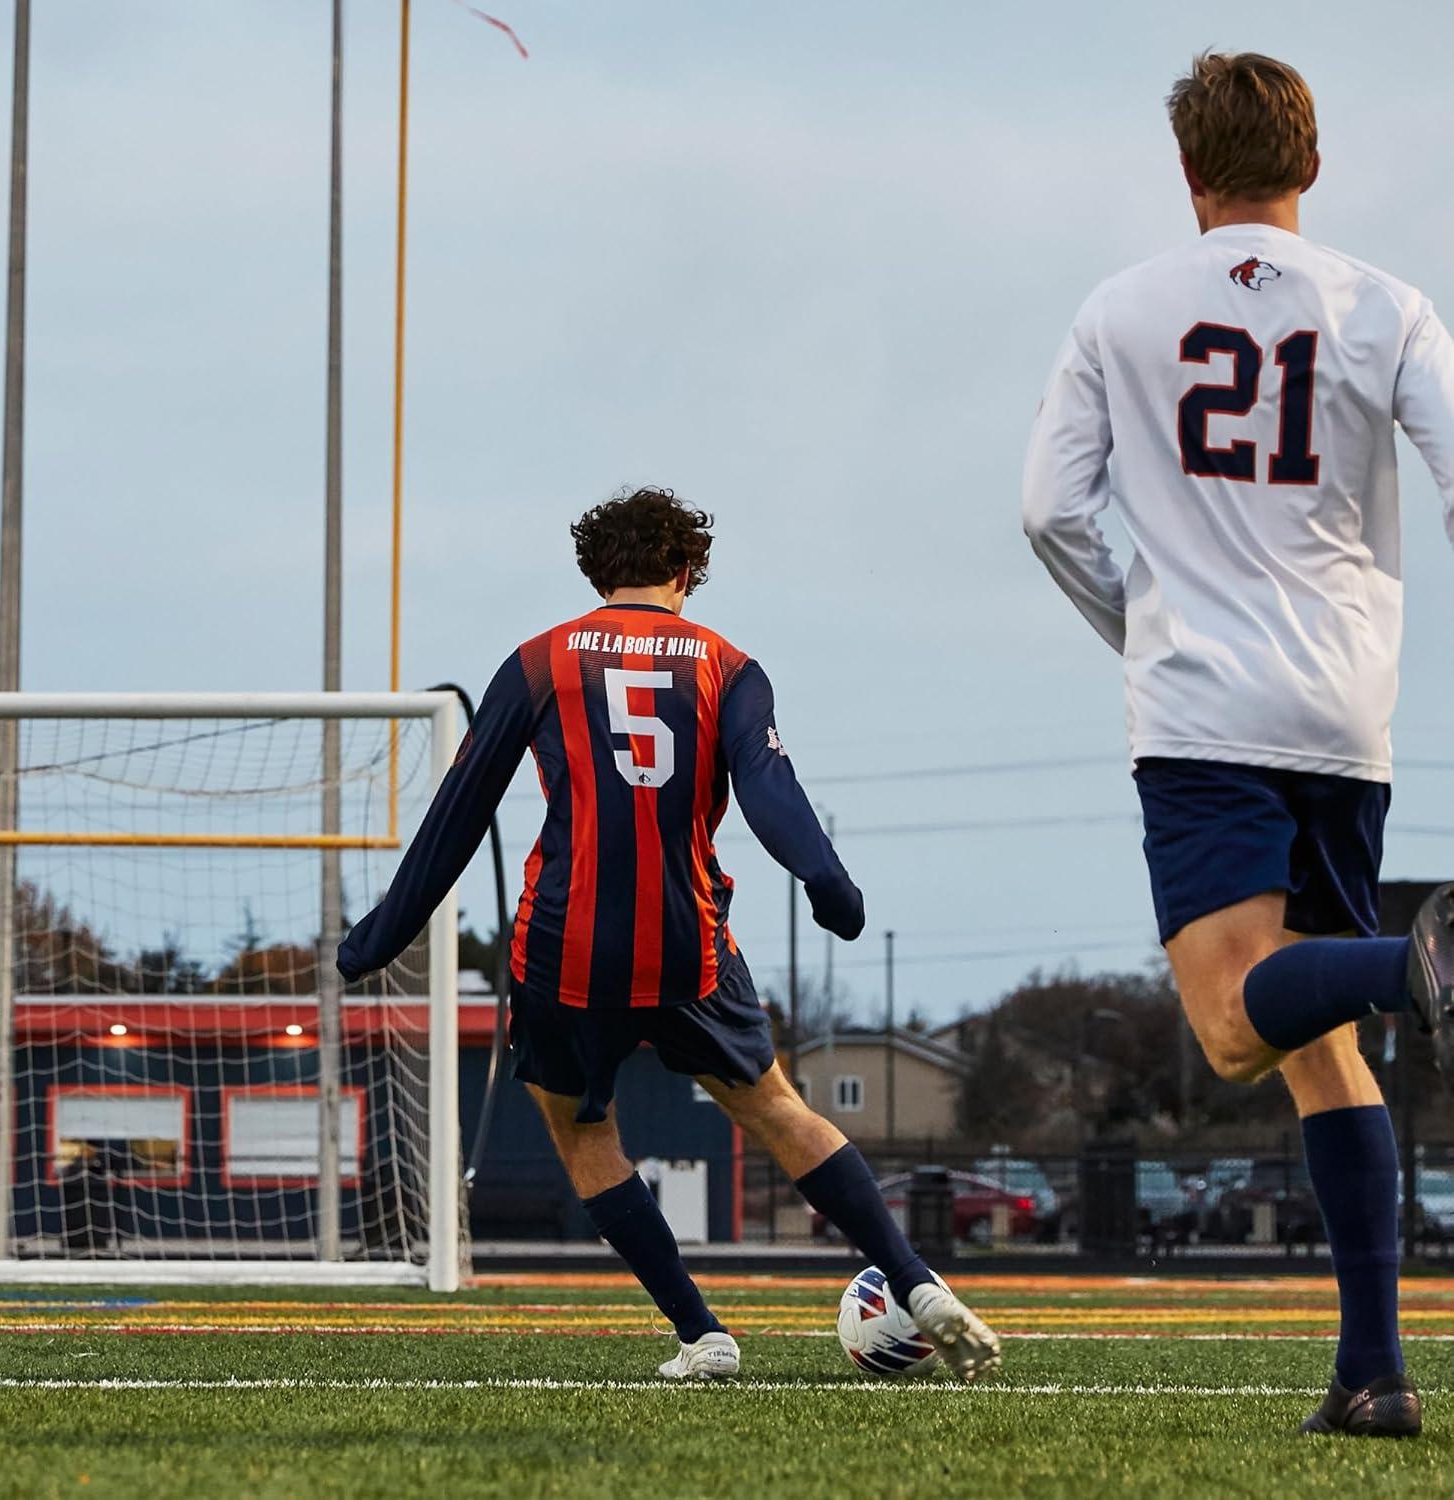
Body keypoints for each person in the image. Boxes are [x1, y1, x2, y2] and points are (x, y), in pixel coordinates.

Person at [1022, 50, 1454, 1439]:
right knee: (1319, 1044)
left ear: (1188, 170)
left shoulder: (1122, 308)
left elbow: (1050, 513)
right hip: (1347, 709)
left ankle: (1416, 957)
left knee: (1229, 1028)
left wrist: (1142, 626)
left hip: (1206, 710)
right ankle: (1374, 1375)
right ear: (1310, 164)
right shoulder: (1389, 306)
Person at [339, 487, 1000, 1383]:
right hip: (689, 946)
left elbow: (462, 809)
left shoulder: (539, 660)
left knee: (584, 1131)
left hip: (564, 948)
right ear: (687, 571)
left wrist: (382, 934)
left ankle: (702, 1335)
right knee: (776, 1109)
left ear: (595, 575)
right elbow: (768, 787)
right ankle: (913, 1277)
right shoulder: (729, 666)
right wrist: (827, 880)